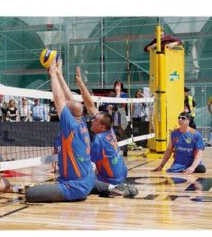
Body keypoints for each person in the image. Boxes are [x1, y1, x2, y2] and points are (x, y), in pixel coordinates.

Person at [25, 59, 96, 203]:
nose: (66, 102)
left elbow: (58, 98)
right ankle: (107, 187)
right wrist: (59, 74)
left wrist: (52, 74)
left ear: (69, 112)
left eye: (67, 105)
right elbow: (69, 96)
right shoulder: (81, 121)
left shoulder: (70, 124)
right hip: (89, 179)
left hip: (74, 187)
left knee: (30, 193)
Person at [75, 66, 137, 197]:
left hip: (112, 179)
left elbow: (87, 164)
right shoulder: (109, 130)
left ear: (101, 126)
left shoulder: (98, 140)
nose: (92, 120)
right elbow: (90, 106)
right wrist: (80, 84)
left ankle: (114, 188)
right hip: (122, 172)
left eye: (94, 121)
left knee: (81, 180)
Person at [108, 80, 129, 156]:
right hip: (113, 114)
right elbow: (109, 105)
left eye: (119, 85)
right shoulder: (111, 95)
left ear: (121, 87)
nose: (117, 87)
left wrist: (118, 93)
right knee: (113, 132)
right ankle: (115, 149)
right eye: (116, 85)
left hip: (121, 113)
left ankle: (125, 149)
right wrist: (110, 106)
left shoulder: (124, 94)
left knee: (122, 132)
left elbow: (123, 105)